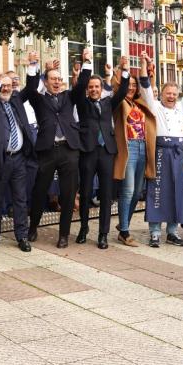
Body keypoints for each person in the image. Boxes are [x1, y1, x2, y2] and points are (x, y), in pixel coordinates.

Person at [22, 51, 85, 248]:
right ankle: (33, 227)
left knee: (68, 194)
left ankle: (63, 235)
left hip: (69, 149)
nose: (57, 82)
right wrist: (33, 64)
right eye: (53, 79)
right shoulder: (39, 99)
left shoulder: (69, 96)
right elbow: (30, 88)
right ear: (46, 81)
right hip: (47, 151)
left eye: (59, 79)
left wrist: (87, 62)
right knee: (40, 191)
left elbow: (81, 85)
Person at [0, 56, 38, 252]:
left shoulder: (17, 100)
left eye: (9, 85)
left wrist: (32, 66)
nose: (6, 88)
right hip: (0, 159)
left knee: (20, 200)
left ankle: (22, 236)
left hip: (19, 159)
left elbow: (31, 88)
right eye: (2, 85)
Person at [71, 49, 127, 249]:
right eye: (91, 87)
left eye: (97, 86)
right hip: (87, 151)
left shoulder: (107, 103)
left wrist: (124, 70)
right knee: (86, 193)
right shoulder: (81, 102)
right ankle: (83, 228)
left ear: (102, 88)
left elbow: (122, 91)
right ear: (87, 89)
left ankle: (103, 234)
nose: (94, 89)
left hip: (106, 152)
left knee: (106, 195)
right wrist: (86, 63)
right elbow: (78, 88)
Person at [139, 54, 183, 247]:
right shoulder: (154, 106)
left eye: (174, 93)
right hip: (161, 153)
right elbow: (145, 85)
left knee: (177, 192)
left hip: (178, 154)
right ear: (161, 94)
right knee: (156, 192)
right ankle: (155, 233)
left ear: (177, 95)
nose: (171, 96)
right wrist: (144, 64)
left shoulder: (181, 106)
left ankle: (172, 232)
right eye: (168, 93)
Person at [110, 57, 157, 247]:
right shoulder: (120, 102)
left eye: (133, 84)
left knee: (137, 193)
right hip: (128, 148)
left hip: (143, 148)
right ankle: (124, 232)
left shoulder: (140, 103)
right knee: (128, 191)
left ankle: (124, 223)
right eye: (128, 84)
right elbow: (116, 87)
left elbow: (149, 88)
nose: (130, 87)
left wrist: (148, 69)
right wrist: (122, 69)